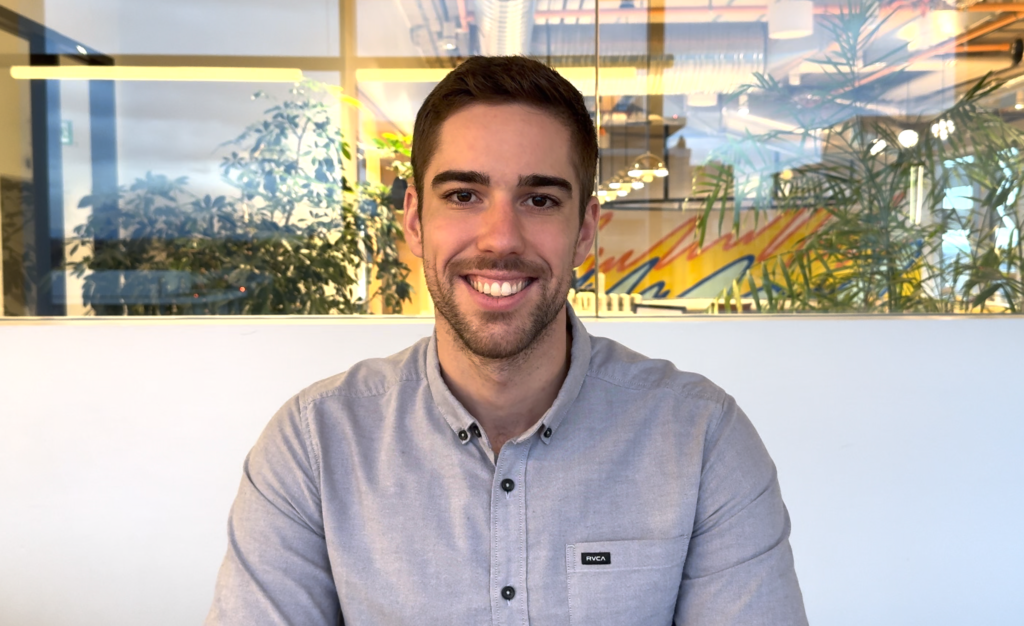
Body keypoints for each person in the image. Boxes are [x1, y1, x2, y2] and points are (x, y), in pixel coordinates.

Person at [206, 55, 807, 625]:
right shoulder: (314, 447)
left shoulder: (702, 440)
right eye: (464, 195)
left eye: (539, 199)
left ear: (585, 231)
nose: (500, 238)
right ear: (415, 220)